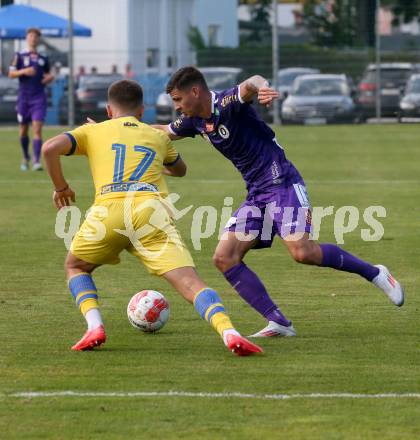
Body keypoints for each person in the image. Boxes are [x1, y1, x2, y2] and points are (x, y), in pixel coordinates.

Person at [154, 66, 405, 338]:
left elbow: (250, 83)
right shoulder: (193, 121)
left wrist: (263, 87)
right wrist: (115, 128)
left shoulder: (226, 102)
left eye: (178, 100)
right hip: (257, 193)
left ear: (195, 91)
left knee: (303, 252)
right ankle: (279, 322)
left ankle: (376, 274)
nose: (177, 107)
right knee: (224, 258)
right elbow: (159, 132)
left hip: (282, 181)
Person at [42, 79, 262, 356]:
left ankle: (94, 326)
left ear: (109, 110)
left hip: (108, 212)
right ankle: (229, 332)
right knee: (191, 284)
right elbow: (180, 170)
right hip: (151, 213)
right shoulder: (156, 136)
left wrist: (61, 188)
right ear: (142, 111)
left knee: (76, 267)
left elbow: (49, 148)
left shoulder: (93, 131)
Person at [8, 28, 54, 171]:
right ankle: (25, 157)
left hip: (39, 97)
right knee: (23, 130)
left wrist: (49, 78)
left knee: (37, 128)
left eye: (35, 36)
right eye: (31, 36)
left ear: (38, 39)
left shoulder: (43, 58)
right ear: (27, 38)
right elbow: (10, 73)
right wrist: (24, 71)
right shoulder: (19, 56)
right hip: (23, 98)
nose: (33, 38)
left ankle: (36, 161)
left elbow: (48, 74)